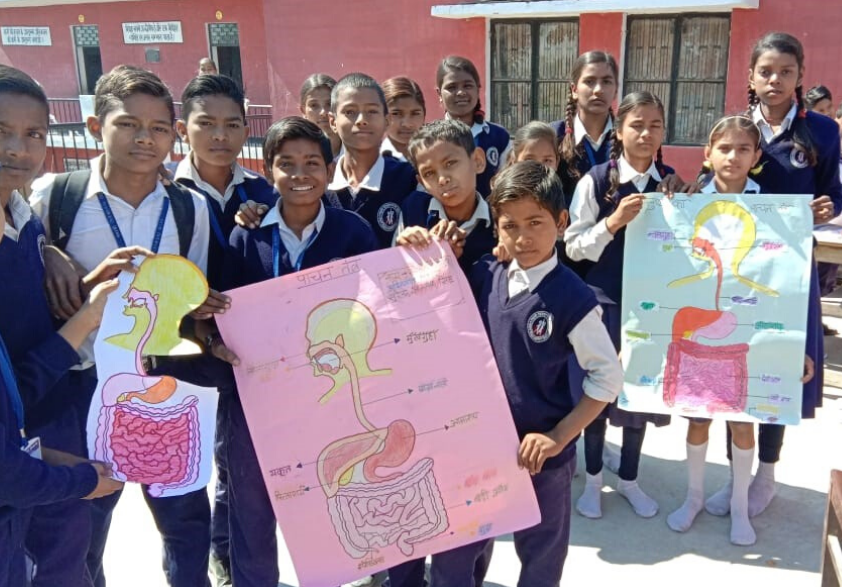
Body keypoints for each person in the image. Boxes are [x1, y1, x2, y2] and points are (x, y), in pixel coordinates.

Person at [28, 64, 213, 587]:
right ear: (95, 127)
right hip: (78, 384)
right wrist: (48, 250)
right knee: (82, 523)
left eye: (158, 128)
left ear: (173, 136)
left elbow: (191, 293)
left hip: (159, 382)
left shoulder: (190, 209)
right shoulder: (54, 196)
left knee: (184, 518)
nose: (144, 138)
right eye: (128, 124)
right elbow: (23, 259)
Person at [424, 160, 622, 587]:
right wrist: (418, 246)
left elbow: (607, 378)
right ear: (496, 228)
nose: (523, 237)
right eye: (510, 225)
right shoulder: (486, 273)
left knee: (541, 557)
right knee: (458, 553)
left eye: (535, 222)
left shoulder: (574, 297)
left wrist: (558, 436)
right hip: (480, 448)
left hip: (542, 459)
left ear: (562, 222)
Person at [205, 116, 378, 587]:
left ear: (329, 169)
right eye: (287, 164)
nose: (300, 174)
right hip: (257, 397)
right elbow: (223, 309)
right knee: (252, 511)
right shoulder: (247, 235)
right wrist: (216, 342)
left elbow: (373, 307)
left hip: (328, 396)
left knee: (326, 504)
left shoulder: (354, 232)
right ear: (268, 170)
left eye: (312, 163)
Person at [704, 31, 842, 520]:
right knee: (733, 362)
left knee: (777, 364)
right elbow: (711, 181)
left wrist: (827, 208)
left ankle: (766, 474)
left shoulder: (821, 131)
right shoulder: (740, 129)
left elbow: (835, 192)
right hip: (736, 269)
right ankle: (735, 473)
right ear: (751, 76)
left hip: (789, 270)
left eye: (786, 71)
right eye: (766, 71)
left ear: (800, 75)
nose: (775, 80)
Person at [665, 115, 816, 546]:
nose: (733, 156)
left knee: (742, 424)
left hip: (747, 334)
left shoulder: (773, 208)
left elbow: (787, 283)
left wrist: (796, 346)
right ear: (707, 153)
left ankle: (739, 506)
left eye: (744, 149)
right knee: (697, 420)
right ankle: (694, 497)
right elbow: (663, 270)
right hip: (699, 334)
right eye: (724, 148)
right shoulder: (688, 201)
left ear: (756, 157)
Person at [0, 63, 124, 587]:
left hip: (47, 418)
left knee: (67, 556)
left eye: (34, 134)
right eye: (2, 131)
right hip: (19, 446)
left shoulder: (24, 217)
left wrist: (83, 294)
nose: (18, 149)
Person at [172, 72, 277, 586]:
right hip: (182, 353)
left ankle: (231, 556)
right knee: (188, 474)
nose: (220, 135)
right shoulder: (165, 192)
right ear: (182, 129)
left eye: (232, 124)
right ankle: (211, 554)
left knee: (239, 462)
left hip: (245, 352)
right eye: (206, 123)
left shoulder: (263, 191)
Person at [565, 91, 675, 520]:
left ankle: (629, 479)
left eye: (655, 126)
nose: (646, 134)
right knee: (598, 395)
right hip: (603, 306)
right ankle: (594, 481)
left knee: (638, 399)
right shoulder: (595, 181)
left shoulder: (672, 184)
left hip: (650, 309)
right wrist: (612, 223)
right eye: (637, 125)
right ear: (619, 131)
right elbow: (573, 247)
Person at [326, 73, 417, 249]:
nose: (362, 121)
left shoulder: (410, 179)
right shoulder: (320, 184)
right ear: (333, 122)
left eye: (372, 111)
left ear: (387, 120)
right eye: (350, 112)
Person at [395, 119, 495, 273]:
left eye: (450, 163)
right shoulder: (414, 210)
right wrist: (403, 252)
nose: (442, 179)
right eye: (429, 173)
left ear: (477, 161)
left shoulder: (500, 221)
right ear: (422, 183)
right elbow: (395, 278)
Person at [436, 56, 510, 198]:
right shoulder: (430, 139)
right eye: (451, 87)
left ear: (478, 89)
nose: (461, 92)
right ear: (439, 94)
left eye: (467, 86)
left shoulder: (499, 137)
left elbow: (506, 186)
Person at [550, 51, 618, 203]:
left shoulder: (628, 137)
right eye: (589, 81)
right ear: (574, 90)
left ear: (615, 91)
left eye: (606, 81)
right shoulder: (553, 136)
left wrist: (668, 179)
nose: (598, 89)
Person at [381, 76, 426, 162]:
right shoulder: (372, 162)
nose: (407, 124)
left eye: (415, 113)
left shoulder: (438, 156)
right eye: (396, 114)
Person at [299, 73, 342, 158]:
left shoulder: (359, 150)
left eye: (329, 104)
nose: (323, 112)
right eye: (314, 105)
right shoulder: (295, 154)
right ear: (303, 111)